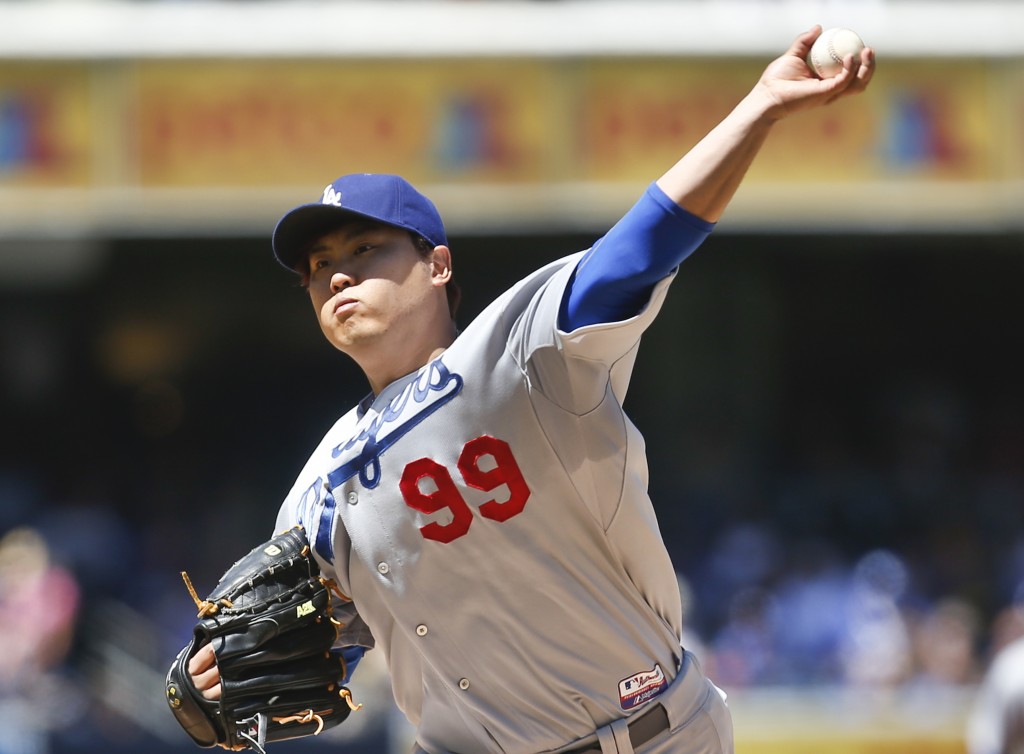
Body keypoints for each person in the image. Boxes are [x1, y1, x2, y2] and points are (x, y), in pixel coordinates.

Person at [188, 26, 874, 754]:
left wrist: (761, 106)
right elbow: (320, 647)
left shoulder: (514, 354)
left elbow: (642, 247)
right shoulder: (318, 486)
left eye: (366, 249)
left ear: (439, 267)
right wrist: (220, 683)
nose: (339, 276)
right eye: (319, 265)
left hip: (648, 738)